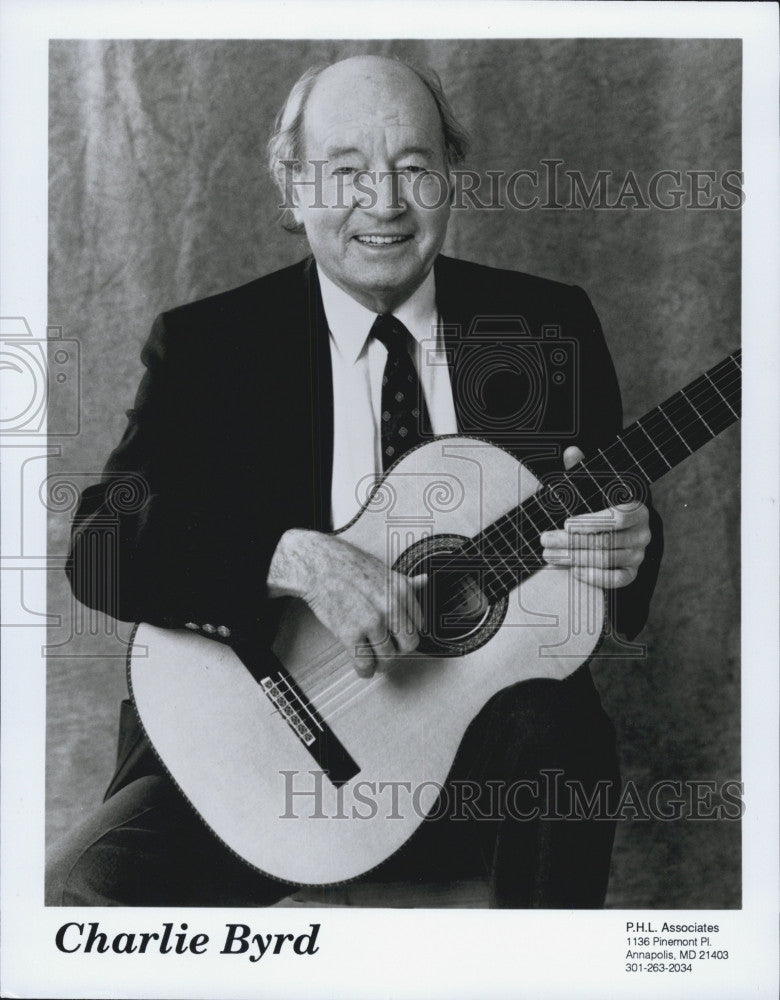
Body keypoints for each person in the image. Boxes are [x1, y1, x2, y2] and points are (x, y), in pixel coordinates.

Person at [46, 54, 662, 907]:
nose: (384, 202)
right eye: (346, 172)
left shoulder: (544, 324)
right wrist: (289, 558)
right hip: (257, 751)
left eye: (414, 167)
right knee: (76, 893)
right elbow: (101, 550)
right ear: (293, 188)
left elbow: (601, 508)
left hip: (481, 763)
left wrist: (630, 540)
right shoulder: (213, 345)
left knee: (561, 736)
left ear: (451, 177)